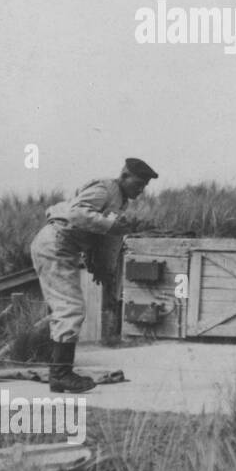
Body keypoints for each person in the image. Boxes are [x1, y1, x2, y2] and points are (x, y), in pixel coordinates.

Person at [29, 157, 158, 393]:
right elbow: (77, 214)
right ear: (124, 175)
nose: (140, 190)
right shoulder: (105, 188)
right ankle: (60, 375)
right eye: (138, 184)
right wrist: (111, 226)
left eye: (144, 186)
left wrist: (101, 266)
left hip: (63, 246)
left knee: (66, 309)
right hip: (56, 244)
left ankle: (60, 374)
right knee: (70, 309)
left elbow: (100, 235)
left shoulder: (120, 200)